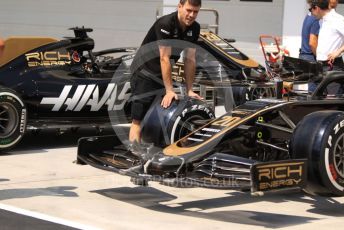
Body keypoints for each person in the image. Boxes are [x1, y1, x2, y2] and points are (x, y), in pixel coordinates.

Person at [128, 0, 203, 144]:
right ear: (179, 6)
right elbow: (164, 58)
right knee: (138, 119)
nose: (191, 15)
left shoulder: (195, 28)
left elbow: (190, 59)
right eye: (188, 10)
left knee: (157, 117)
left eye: (195, 12)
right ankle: (135, 157)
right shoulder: (165, 24)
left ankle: (154, 153)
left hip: (162, 73)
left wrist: (189, 90)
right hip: (145, 71)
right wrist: (169, 90)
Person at [311, 0, 344, 71]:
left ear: (317, 8)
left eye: (311, 10)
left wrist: (338, 52)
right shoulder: (321, 21)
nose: (311, 14)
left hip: (333, 66)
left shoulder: (337, 19)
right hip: (321, 65)